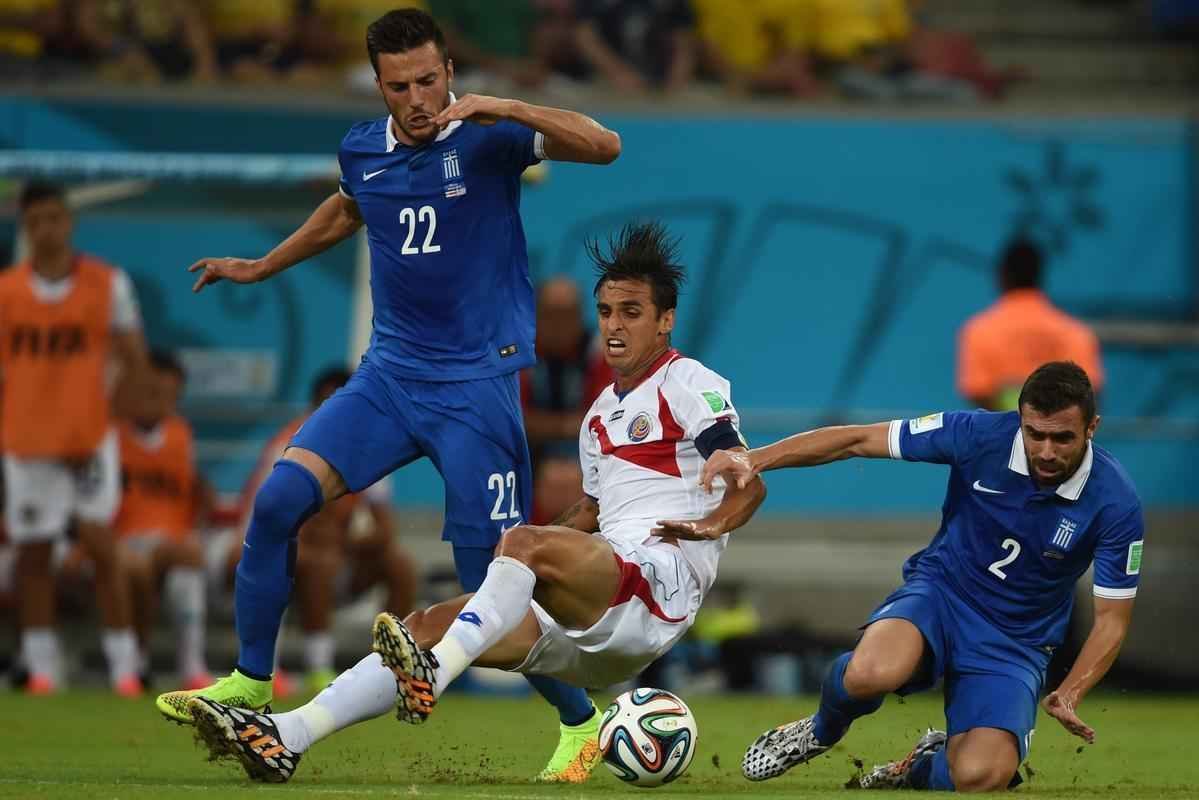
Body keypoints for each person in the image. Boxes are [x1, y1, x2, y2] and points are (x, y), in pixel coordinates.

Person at [155, 7, 620, 783]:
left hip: (475, 387)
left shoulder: (486, 137)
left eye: (429, 80)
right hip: (390, 378)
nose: (417, 97)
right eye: (399, 85)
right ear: (377, 85)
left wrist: (502, 102)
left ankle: (583, 722)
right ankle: (248, 683)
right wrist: (263, 265)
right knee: (275, 504)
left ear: (449, 72)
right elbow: (348, 207)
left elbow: (604, 146)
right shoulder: (361, 148)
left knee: (492, 583)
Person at [183, 221, 765, 785]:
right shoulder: (597, 417)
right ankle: (289, 735)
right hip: (600, 619)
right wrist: (524, 564)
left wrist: (705, 526)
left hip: (657, 586)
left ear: (666, 320)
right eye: (608, 312)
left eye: (632, 313)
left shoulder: (688, 381)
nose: (614, 326)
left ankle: (431, 681)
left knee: (519, 547)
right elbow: (589, 513)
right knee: (423, 626)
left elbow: (747, 481)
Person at [703, 361, 1142, 791]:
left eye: (1062, 438)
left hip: (1015, 641)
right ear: (1019, 421)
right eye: (1035, 434)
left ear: (1091, 427)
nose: (1046, 451)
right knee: (870, 673)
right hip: (943, 594)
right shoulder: (978, 435)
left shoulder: (1115, 502)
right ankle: (819, 731)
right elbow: (856, 440)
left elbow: (1112, 621)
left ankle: (914, 767)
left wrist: (1070, 693)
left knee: (980, 776)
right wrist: (756, 457)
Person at [0, 180, 149, 695]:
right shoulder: (6, 292)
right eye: (36, 220)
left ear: (69, 221)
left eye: (54, 218)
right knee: (33, 554)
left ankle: (125, 667)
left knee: (102, 548)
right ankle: (41, 668)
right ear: (26, 227)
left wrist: (115, 417)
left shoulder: (108, 284)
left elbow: (133, 357)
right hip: (27, 441)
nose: (46, 229)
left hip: (88, 440)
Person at [233, 366, 419, 694]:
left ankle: (391, 669)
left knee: (401, 566)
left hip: (337, 559)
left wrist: (346, 542)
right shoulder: (291, 445)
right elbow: (267, 524)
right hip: (276, 558)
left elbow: (384, 530)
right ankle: (318, 668)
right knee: (317, 561)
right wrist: (326, 543)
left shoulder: (371, 448)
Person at [114, 350, 212, 688]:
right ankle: (131, 664)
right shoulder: (112, 435)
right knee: (141, 564)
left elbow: (191, 499)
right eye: (155, 392)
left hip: (172, 540)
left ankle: (191, 666)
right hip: (121, 541)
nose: (161, 403)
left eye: (171, 396)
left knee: (186, 571)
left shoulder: (180, 435)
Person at [958, 238, 1104, 411]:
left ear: (1002, 275)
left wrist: (1017, 423)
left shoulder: (979, 331)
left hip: (1000, 435)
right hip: (1061, 433)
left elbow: (977, 391)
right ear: (1040, 274)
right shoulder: (1076, 332)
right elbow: (1091, 390)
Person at [521, 276, 614, 463]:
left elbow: (608, 422)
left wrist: (542, 426)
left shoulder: (602, 353)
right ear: (536, 315)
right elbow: (513, 423)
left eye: (567, 315)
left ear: (580, 316)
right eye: (551, 315)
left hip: (589, 461)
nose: (559, 324)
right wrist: (570, 426)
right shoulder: (517, 354)